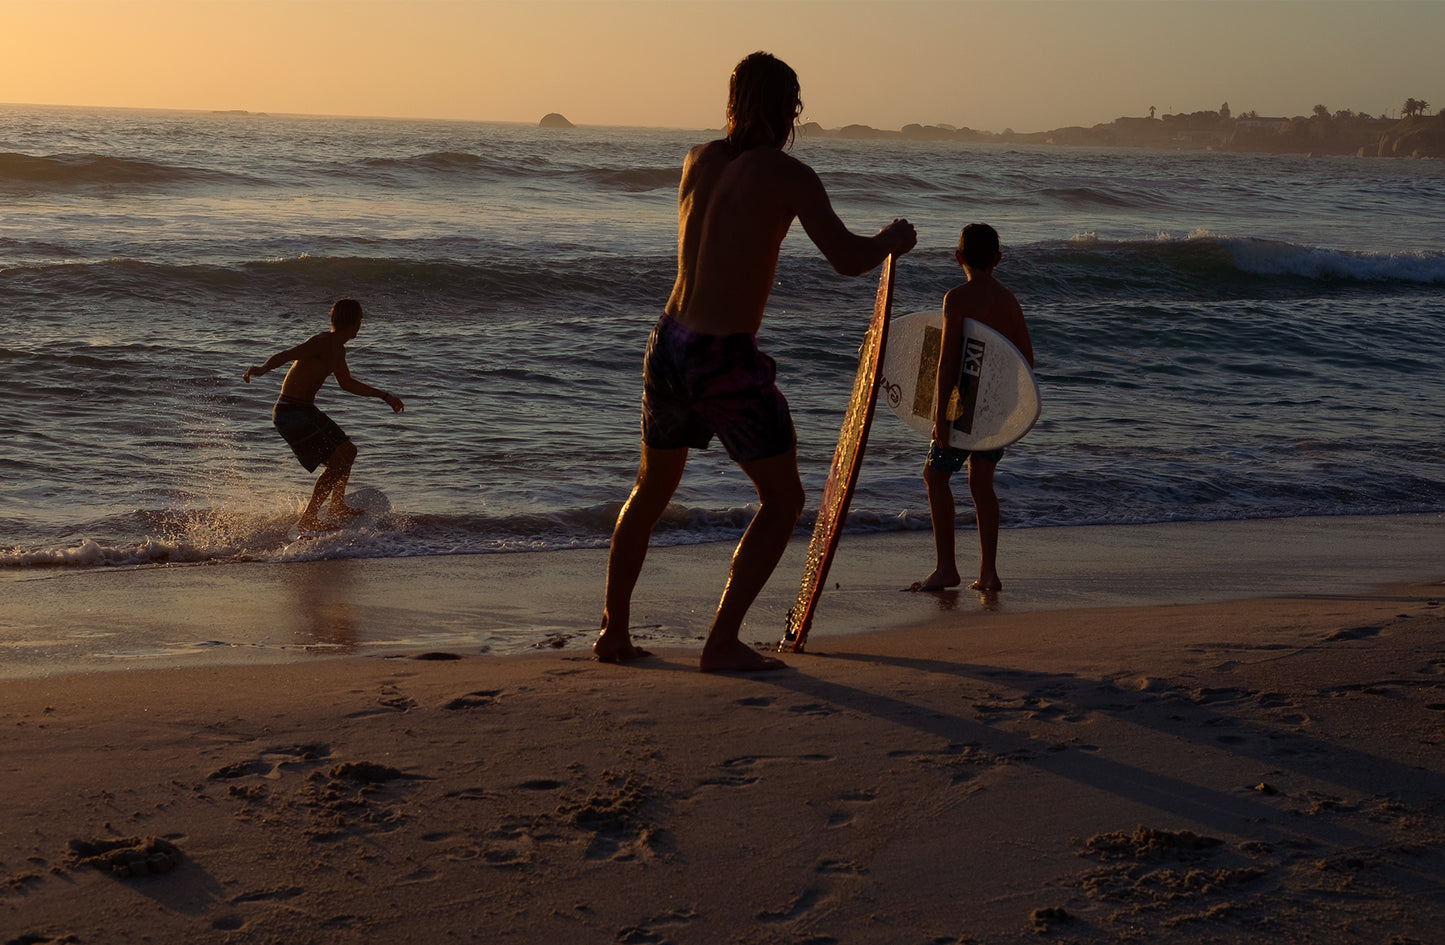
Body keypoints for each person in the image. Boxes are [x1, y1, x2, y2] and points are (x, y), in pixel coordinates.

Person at [593, 51, 917, 671]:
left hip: (668, 342)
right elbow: (848, 259)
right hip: (722, 356)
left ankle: (614, 632)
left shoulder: (697, 160)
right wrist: (890, 241)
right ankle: (720, 643)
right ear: (789, 108)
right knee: (784, 499)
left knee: (650, 489)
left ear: (735, 101)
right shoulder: (790, 175)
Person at [912, 223, 1033, 594]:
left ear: (958, 257)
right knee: (982, 485)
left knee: (935, 477)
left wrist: (940, 417)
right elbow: (1025, 359)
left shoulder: (957, 298)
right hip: (996, 405)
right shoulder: (1009, 300)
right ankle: (990, 573)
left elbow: (948, 361)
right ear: (998, 259)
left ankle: (946, 569)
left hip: (963, 404)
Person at [242, 298, 404, 534]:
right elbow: (287, 354)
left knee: (348, 451)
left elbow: (346, 383)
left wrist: (384, 396)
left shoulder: (338, 349)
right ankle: (309, 519)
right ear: (355, 324)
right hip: (291, 412)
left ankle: (337, 506)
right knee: (337, 464)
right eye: (360, 321)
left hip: (305, 410)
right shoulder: (321, 342)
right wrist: (262, 369)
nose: (361, 326)